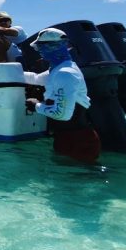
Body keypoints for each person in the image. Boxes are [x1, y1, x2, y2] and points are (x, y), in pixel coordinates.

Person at [24, 28, 100, 163]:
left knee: (79, 178)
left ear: (53, 47)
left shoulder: (65, 73)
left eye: (41, 46)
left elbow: (62, 114)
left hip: (78, 140)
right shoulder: (56, 70)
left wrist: (36, 105)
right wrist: (5, 69)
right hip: (65, 137)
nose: (39, 51)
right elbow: (35, 79)